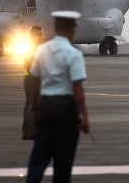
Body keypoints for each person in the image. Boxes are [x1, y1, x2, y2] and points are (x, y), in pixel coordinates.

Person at [26, 11, 89, 183]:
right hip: (66, 107)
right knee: (63, 159)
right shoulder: (73, 53)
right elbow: (77, 86)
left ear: (54, 28)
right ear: (72, 28)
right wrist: (84, 115)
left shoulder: (41, 50)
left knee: (38, 157)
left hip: (45, 104)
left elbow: (35, 80)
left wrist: (34, 106)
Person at [23, 26, 44, 140]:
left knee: (29, 104)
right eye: (37, 34)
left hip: (30, 78)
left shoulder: (36, 48)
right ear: (31, 36)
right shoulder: (32, 49)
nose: (40, 36)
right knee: (32, 105)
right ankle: (31, 131)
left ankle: (26, 130)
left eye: (41, 34)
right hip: (32, 78)